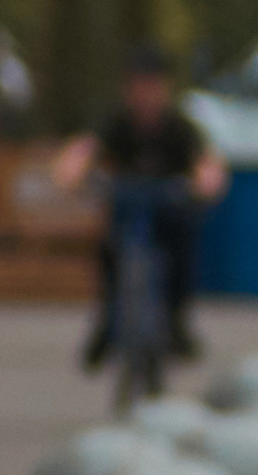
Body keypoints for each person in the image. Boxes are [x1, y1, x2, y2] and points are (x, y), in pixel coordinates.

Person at [54, 45, 228, 369]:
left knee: (183, 248)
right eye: (138, 85)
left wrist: (204, 185)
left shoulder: (179, 127)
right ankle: (108, 323)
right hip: (127, 206)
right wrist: (73, 175)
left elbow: (206, 162)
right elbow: (84, 151)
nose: (145, 94)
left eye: (152, 85)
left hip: (168, 209)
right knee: (108, 251)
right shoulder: (117, 123)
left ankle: (176, 320)